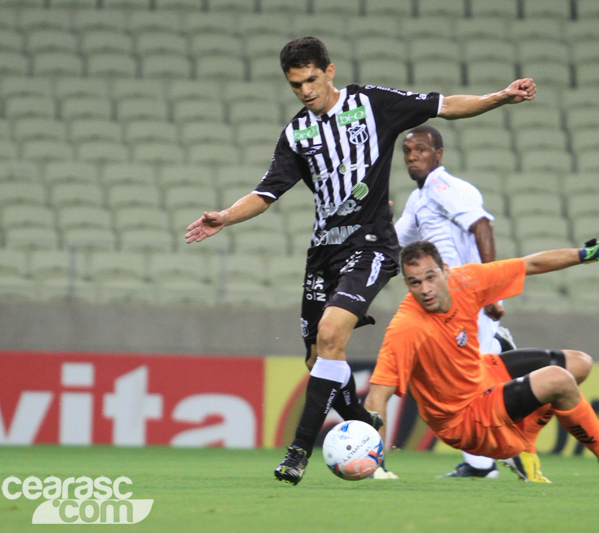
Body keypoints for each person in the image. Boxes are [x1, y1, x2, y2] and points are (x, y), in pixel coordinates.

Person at [185, 36, 537, 486]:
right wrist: (225, 217)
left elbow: (445, 105)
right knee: (318, 361)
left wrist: (501, 97)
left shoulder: (372, 104)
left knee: (333, 333)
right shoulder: (297, 133)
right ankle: (364, 424)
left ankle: (298, 454)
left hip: (371, 244)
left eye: (311, 79)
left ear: (329, 71)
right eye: (296, 85)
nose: (306, 91)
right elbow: (267, 192)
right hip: (323, 253)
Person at [365, 237, 599, 479]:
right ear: (407, 285)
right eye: (415, 282)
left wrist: (588, 253)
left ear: (445, 270)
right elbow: (378, 395)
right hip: (463, 417)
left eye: (431, 277)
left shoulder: (466, 281)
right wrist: (375, 465)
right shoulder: (406, 327)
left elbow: (530, 263)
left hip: (482, 375)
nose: (426, 289)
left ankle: (525, 447)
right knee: (558, 380)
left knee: (579, 363)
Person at [393, 125, 594, 482]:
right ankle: (492, 456)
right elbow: (397, 240)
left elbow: (481, 226)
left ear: (439, 154)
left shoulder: (445, 187)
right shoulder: (419, 199)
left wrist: (492, 292)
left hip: (466, 299)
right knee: (469, 384)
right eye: (407, 152)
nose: (413, 157)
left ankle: (489, 460)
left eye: (421, 150)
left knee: (472, 387)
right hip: (448, 304)